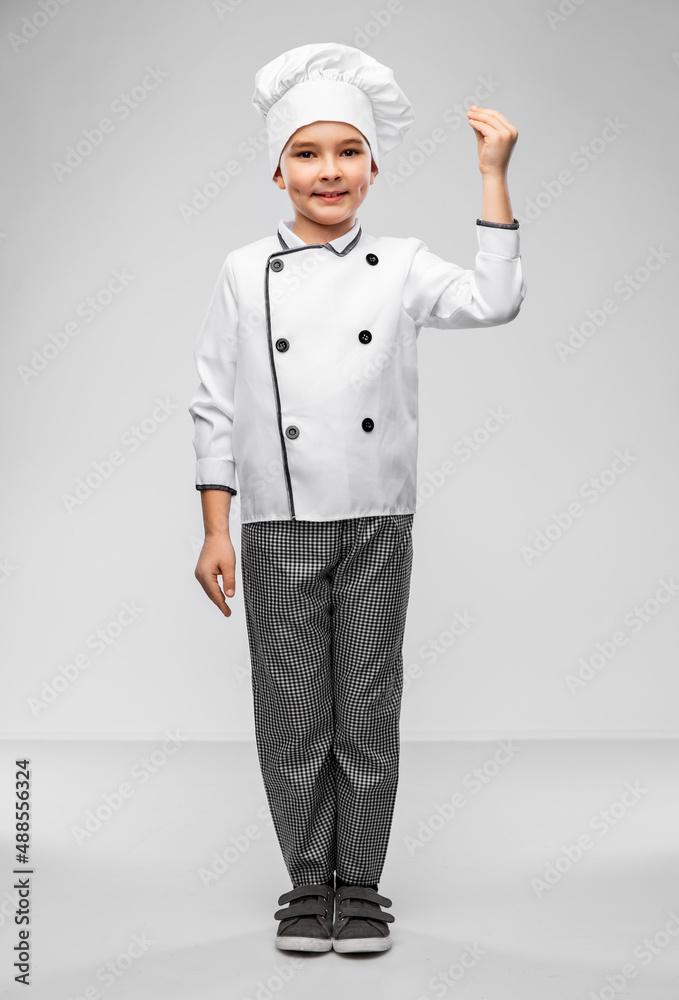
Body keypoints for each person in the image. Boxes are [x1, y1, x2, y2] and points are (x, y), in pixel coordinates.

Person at [189, 41, 526, 955]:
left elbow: (496, 302)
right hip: (271, 521)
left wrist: (491, 176)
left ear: (373, 165)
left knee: (368, 711)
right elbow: (214, 404)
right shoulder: (240, 270)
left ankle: (362, 885)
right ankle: (307, 884)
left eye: (346, 151)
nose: (327, 170)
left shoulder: (406, 262)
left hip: (379, 517)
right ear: (276, 167)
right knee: (293, 712)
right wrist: (214, 528)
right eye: (307, 152)